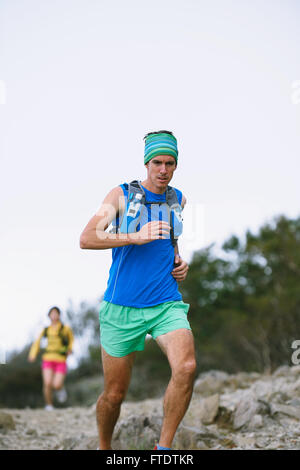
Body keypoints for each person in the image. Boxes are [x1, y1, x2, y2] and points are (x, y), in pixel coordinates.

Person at [80, 130, 196, 450]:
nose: (163, 169)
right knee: (114, 395)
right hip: (122, 306)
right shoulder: (121, 195)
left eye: (169, 163)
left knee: (186, 367)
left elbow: (170, 240)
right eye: (157, 162)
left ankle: (163, 448)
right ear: (146, 163)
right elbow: (87, 238)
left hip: (165, 302)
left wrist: (178, 260)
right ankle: (105, 446)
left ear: (176, 165)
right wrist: (135, 236)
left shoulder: (178, 199)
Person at [28, 306, 74, 410]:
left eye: (56, 313)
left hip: (61, 359)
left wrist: (70, 349)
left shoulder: (65, 328)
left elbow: (71, 340)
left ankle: (60, 389)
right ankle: (49, 405)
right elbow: (37, 342)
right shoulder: (46, 330)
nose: (54, 315)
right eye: (52, 313)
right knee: (47, 383)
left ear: (59, 315)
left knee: (56, 384)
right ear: (49, 316)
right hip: (48, 358)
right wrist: (32, 354)